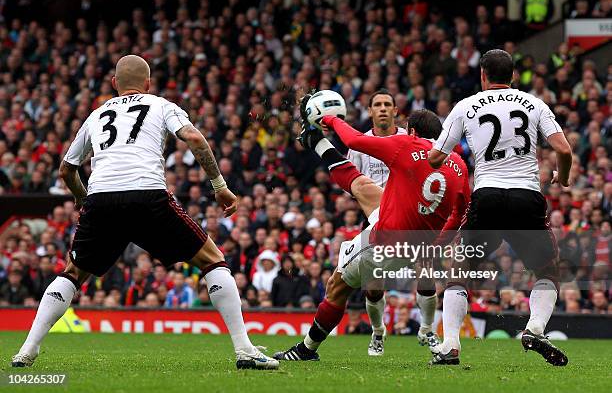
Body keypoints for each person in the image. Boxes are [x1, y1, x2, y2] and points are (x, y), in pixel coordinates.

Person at [11, 55, 278, 370]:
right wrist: (219, 186)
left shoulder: (96, 115)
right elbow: (193, 137)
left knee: (73, 271)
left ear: (114, 84)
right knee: (211, 260)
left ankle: (27, 350)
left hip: (101, 199)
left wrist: (83, 199)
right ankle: (244, 350)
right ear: (148, 83)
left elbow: (67, 169)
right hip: (147, 194)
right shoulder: (160, 104)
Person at [273, 99, 470, 361]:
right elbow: (460, 213)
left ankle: (307, 349)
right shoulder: (459, 165)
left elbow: (353, 140)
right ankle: (317, 143)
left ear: (411, 132)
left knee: (337, 285)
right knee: (363, 186)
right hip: (418, 239)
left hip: (385, 242)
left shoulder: (407, 144)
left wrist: (330, 119)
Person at [428, 49, 572, 366]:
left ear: (483, 74)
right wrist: (562, 177)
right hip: (526, 197)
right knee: (548, 270)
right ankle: (535, 327)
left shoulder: (465, 107)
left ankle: (450, 343)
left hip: (487, 196)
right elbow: (563, 148)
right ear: (513, 76)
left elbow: (435, 158)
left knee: (459, 266)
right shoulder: (534, 103)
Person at [346, 89, 407, 188]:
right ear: (370, 111)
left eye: (387, 104)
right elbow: (350, 182)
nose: (383, 108)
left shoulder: (409, 139)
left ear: (395, 111)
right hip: (371, 202)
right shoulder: (359, 145)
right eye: (377, 105)